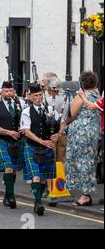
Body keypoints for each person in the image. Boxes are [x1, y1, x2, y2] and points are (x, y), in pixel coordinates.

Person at [60, 72, 101, 206]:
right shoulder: (97, 94)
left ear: (82, 83)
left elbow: (72, 114)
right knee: (89, 162)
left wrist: (63, 123)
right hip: (93, 133)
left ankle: (85, 195)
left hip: (80, 134)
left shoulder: (81, 96)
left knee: (81, 162)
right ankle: (86, 193)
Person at [20, 83, 60, 216]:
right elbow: (26, 131)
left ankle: (38, 200)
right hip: (32, 146)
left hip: (47, 147)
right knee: (36, 176)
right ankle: (38, 202)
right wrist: (41, 141)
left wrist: (57, 135)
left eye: (40, 95)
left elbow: (61, 123)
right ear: (30, 97)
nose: (38, 98)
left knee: (43, 178)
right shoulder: (26, 112)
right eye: (35, 95)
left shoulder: (50, 109)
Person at [0, 81, 26, 209]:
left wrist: (23, 129)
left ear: (14, 91)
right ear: (2, 92)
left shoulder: (21, 103)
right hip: (2, 140)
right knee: (8, 168)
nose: (9, 94)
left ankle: (7, 195)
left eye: (11, 91)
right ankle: (12, 197)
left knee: (13, 170)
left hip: (17, 141)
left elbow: (25, 121)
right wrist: (8, 132)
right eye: (6, 91)